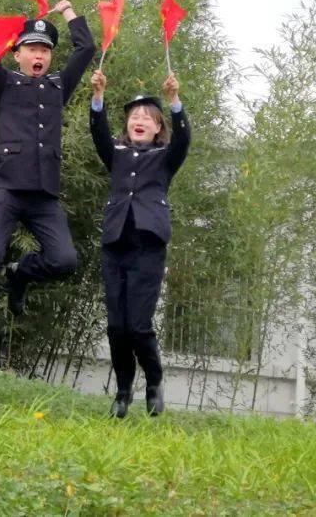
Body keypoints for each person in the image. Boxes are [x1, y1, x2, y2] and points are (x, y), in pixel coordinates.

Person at [0, 0, 96, 316]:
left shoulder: (58, 86)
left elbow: (86, 49)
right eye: (32, 49)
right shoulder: (3, 83)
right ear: (17, 54)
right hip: (8, 187)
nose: (39, 55)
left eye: (45, 50)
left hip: (43, 193)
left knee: (64, 261)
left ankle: (19, 274)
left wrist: (68, 10)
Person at [90, 70, 190, 417]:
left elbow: (183, 140)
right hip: (115, 243)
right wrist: (98, 96)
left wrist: (175, 101)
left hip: (148, 247)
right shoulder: (116, 153)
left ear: (158, 128)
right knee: (116, 326)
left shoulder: (165, 158)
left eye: (148, 117)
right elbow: (98, 133)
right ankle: (121, 390)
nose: (140, 120)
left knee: (138, 325)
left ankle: (154, 381)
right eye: (135, 116)